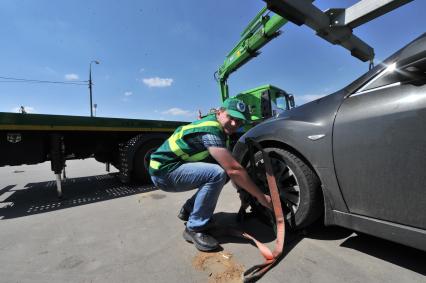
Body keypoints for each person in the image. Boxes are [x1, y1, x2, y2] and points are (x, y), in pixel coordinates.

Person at [149, 98, 272, 252]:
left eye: (239, 121)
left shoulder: (217, 125)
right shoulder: (211, 130)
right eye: (231, 118)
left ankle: (188, 209)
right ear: (219, 112)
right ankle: (194, 228)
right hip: (164, 173)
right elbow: (234, 169)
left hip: (170, 167)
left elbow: (232, 172)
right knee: (217, 173)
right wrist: (260, 196)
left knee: (222, 171)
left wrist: (243, 190)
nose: (235, 124)